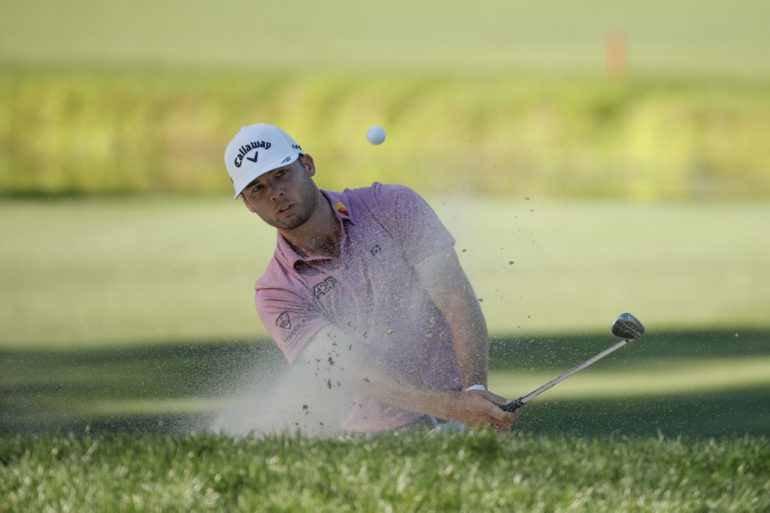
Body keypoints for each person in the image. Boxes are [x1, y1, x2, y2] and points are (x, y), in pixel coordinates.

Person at [224, 123, 517, 433]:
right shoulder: (276, 293)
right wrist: (453, 407)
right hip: (377, 437)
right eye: (258, 188)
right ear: (248, 203)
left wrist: (474, 394)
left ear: (307, 164)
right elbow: (352, 367)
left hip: (461, 408)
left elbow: (455, 299)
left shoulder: (391, 205)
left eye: (282, 174)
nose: (276, 193)